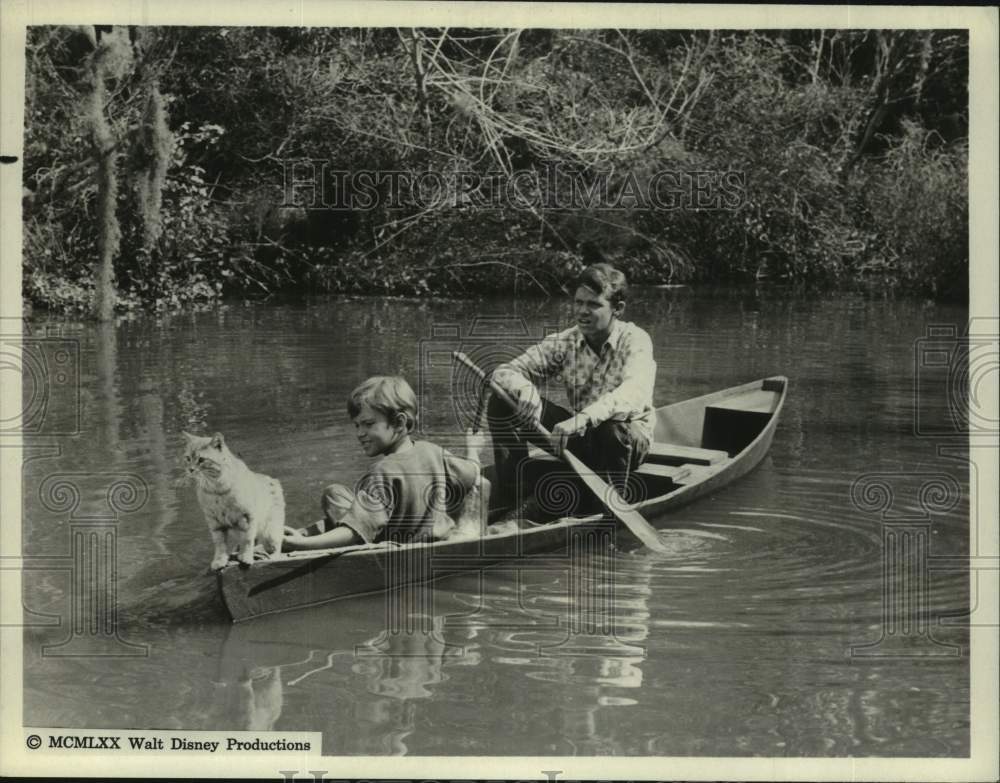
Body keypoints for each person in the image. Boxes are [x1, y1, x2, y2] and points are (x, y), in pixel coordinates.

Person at [487, 262, 655, 513]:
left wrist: (584, 419)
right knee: (502, 400)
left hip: (625, 441)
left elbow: (632, 394)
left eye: (594, 305)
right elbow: (504, 372)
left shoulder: (635, 340)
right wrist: (526, 390)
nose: (582, 312)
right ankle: (512, 495)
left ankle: (607, 506)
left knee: (612, 428)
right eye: (579, 303)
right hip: (581, 437)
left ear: (617, 309)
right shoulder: (566, 341)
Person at [282, 376, 489, 551]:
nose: (360, 433)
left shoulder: (382, 472)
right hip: (435, 538)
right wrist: (472, 448)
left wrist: (303, 543)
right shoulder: (434, 451)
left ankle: (340, 537)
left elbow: (353, 532)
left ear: (399, 422)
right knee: (335, 493)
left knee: (337, 501)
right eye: (357, 425)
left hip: (394, 546)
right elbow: (473, 473)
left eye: (369, 424)